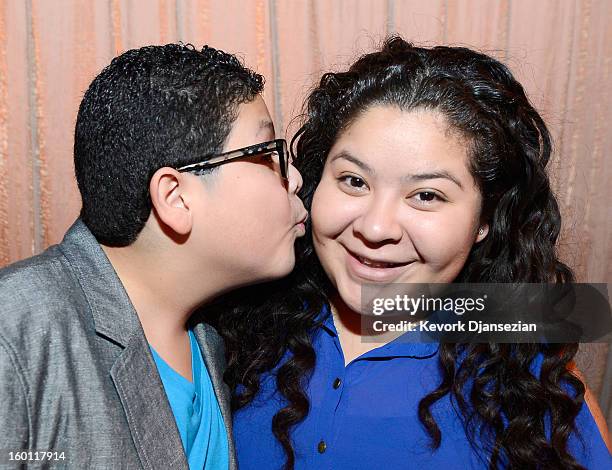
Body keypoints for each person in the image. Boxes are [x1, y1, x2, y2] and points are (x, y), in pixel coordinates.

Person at [214, 37, 612, 469]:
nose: (375, 227)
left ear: (485, 219)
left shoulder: (524, 373)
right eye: (353, 181)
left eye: (425, 195)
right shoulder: (237, 326)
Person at [0, 44, 306, 469]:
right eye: (267, 154)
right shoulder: (18, 325)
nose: (293, 177)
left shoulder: (213, 343)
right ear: (176, 197)